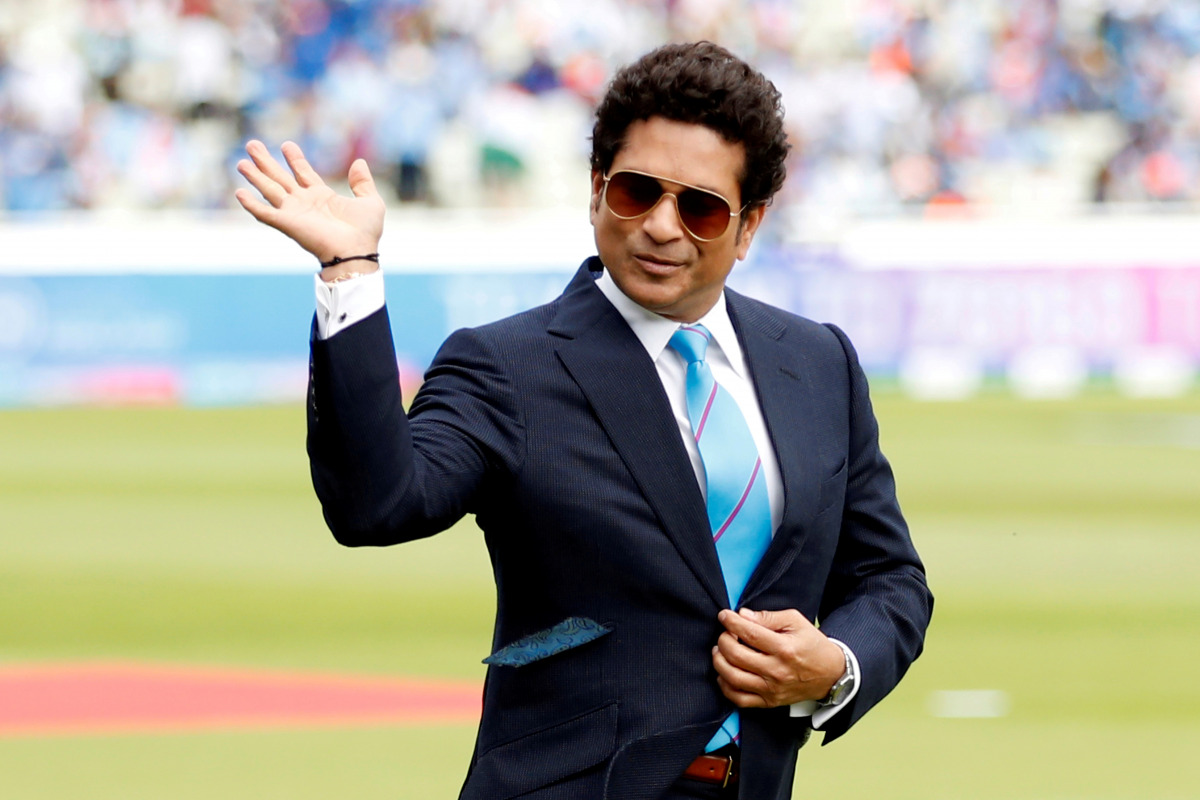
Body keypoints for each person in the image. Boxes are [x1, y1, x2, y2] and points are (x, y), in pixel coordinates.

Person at [236, 41, 932, 800]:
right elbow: (377, 504)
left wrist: (837, 665)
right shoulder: (506, 365)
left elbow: (889, 578)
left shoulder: (819, 363)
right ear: (597, 190)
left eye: (699, 208)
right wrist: (350, 271)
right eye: (637, 192)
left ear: (749, 226)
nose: (661, 226)